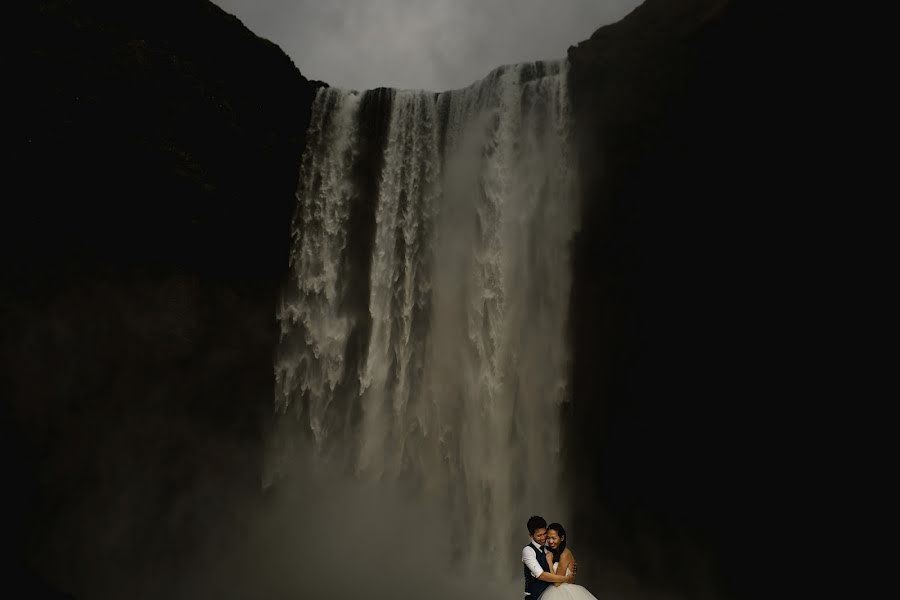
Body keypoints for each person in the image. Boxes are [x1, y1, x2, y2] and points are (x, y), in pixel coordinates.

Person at [522, 515, 576, 599]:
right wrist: (566, 578)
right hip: (534, 597)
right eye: (539, 535)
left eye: (545, 534)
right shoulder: (528, 551)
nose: (543, 538)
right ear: (531, 535)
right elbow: (541, 575)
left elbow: (563, 560)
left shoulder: (550, 545)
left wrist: (570, 566)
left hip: (554, 595)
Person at [541, 522, 598, 600]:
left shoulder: (564, 554)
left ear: (562, 538)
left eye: (554, 538)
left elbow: (557, 583)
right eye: (548, 538)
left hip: (563, 592)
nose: (550, 541)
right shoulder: (553, 551)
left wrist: (550, 562)